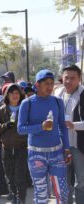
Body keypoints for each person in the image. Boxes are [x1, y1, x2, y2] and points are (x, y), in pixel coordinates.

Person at [18, 69, 71, 204]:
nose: (50, 87)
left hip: (57, 153)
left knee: (62, 194)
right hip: (36, 154)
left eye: (52, 83)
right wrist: (40, 127)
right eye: (46, 83)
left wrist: (66, 148)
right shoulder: (27, 103)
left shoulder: (57, 101)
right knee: (41, 195)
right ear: (37, 85)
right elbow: (20, 129)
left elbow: (63, 127)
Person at [54, 64, 84, 203]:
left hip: (79, 146)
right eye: (66, 77)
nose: (68, 81)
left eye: (73, 78)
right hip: (61, 145)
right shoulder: (57, 94)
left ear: (79, 79)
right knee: (64, 180)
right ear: (62, 78)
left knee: (81, 182)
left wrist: (74, 125)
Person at [0, 84, 28, 204]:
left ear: (20, 95)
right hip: (6, 147)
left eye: (17, 93)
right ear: (7, 95)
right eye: (12, 93)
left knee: (20, 175)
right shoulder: (2, 110)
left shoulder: (25, 108)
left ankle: (21, 199)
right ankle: (14, 196)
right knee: (9, 174)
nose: (15, 95)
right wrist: (5, 125)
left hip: (22, 147)